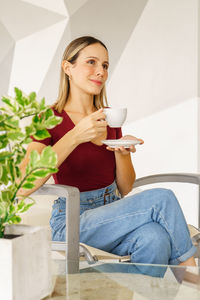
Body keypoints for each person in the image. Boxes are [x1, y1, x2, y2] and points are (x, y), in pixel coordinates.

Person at [19, 36, 196, 271]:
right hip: (73, 219)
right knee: (162, 198)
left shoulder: (109, 118)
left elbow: (124, 188)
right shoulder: (48, 118)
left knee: (155, 238)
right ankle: (193, 280)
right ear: (67, 68)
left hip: (113, 209)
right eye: (91, 62)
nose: (100, 71)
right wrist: (75, 135)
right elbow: (23, 184)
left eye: (105, 65)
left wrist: (122, 152)